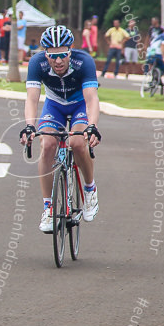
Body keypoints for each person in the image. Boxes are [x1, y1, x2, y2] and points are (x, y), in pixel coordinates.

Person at [20, 25, 101, 233]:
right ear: (44, 53)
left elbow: (91, 99)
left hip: (79, 105)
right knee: (47, 144)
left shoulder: (84, 62)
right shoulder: (37, 63)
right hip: (54, 105)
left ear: (70, 50)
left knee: (76, 142)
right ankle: (48, 208)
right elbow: (31, 98)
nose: (58, 61)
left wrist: (92, 127)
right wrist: (29, 126)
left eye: (63, 55)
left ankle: (90, 189)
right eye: (52, 56)